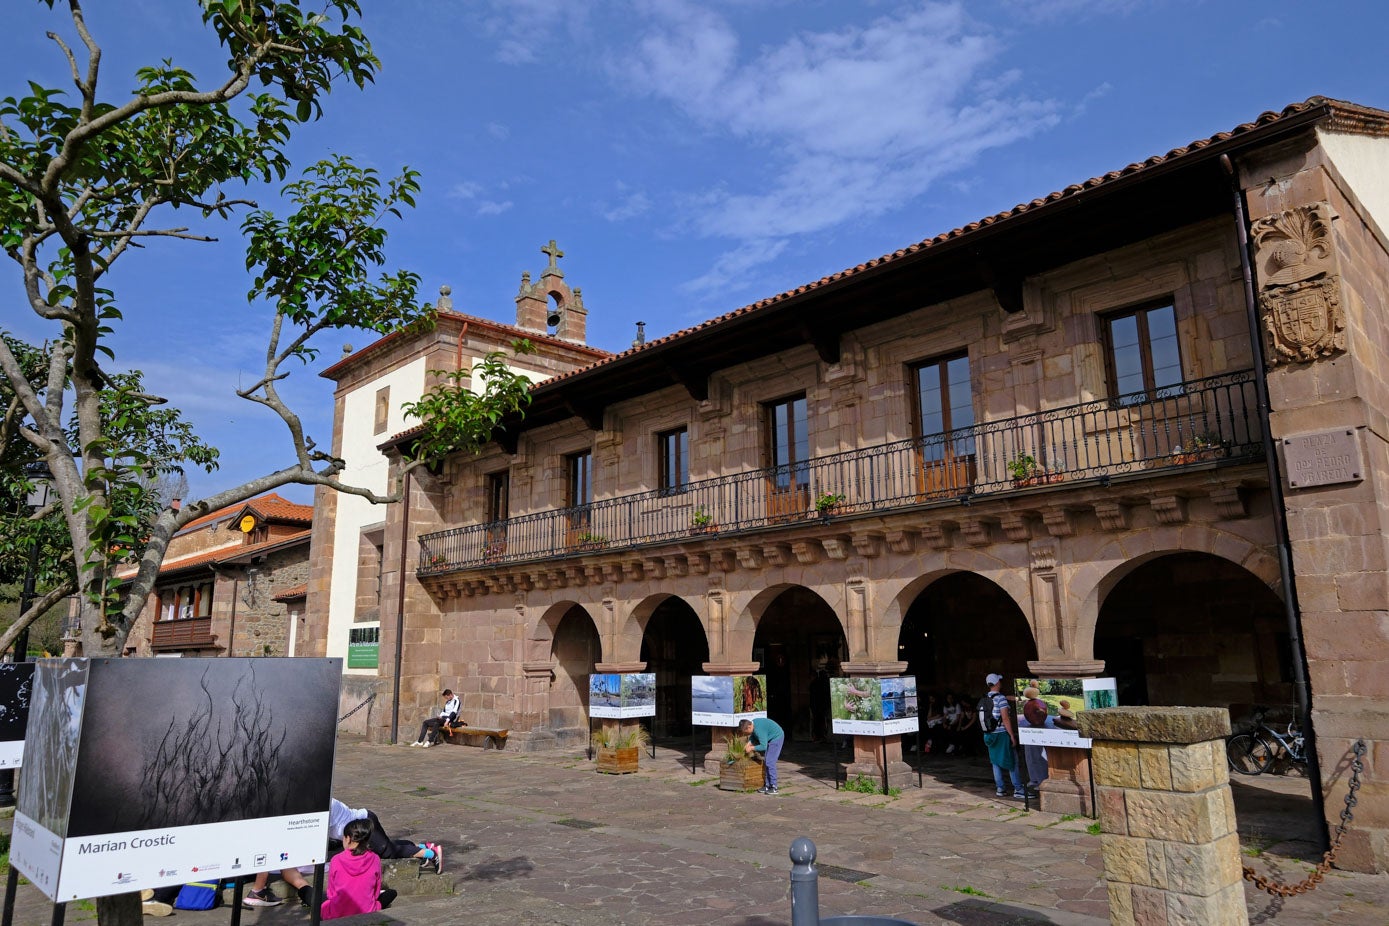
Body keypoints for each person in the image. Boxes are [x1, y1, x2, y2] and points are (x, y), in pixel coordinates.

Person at [330, 797, 443, 872]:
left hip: (364, 826)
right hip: (359, 829)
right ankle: (421, 847)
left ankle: (431, 853)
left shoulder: (324, 803)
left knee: (388, 852)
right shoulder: (320, 800)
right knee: (385, 846)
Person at [321, 818, 398, 920]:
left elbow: (331, 893)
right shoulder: (375, 858)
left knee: (318, 899)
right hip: (367, 911)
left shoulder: (336, 860)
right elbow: (375, 893)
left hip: (337, 913)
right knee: (391, 893)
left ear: (348, 839)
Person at [980, 673, 1025, 800]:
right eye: (999, 680)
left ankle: (1000, 788)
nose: (1001, 682)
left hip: (989, 734)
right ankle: (1018, 788)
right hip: (1001, 734)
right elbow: (1005, 718)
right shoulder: (1000, 699)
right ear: (997, 683)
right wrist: (1011, 735)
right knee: (1012, 761)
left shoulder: (985, 698)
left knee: (995, 762)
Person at [737, 716, 785, 795]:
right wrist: (748, 744)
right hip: (770, 737)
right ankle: (767, 785)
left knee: (770, 762)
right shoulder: (753, 724)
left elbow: (763, 746)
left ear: (749, 727)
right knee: (766, 761)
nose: (746, 734)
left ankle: (774, 786)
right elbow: (753, 736)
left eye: (746, 732)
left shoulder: (759, 730)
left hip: (776, 737)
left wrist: (752, 748)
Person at [1019, 685, 1051, 790]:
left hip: (1037, 730)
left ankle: (1041, 779)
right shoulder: (1029, 704)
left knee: (1039, 754)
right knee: (1031, 754)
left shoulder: (1038, 704)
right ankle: (1035, 779)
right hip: (1031, 731)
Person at [809, 669, 831, 743]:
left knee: (817, 722)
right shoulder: (827, 683)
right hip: (824, 705)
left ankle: (819, 737)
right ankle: (824, 736)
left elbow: (812, 696)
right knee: (824, 721)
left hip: (816, 706)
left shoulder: (815, 683)